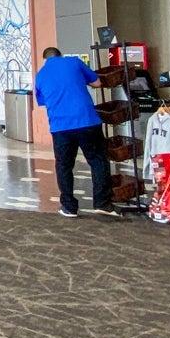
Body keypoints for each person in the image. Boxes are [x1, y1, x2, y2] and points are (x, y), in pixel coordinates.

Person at [33, 47, 117, 218]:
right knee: (98, 160)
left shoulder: (40, 75)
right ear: (60, 55)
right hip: (87, 121)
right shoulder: (74, 62)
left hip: (60, 127)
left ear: (45, 59)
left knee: (64, 166)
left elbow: (42, 101)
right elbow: (97, 83)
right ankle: (102, 203)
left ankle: (69, 207)